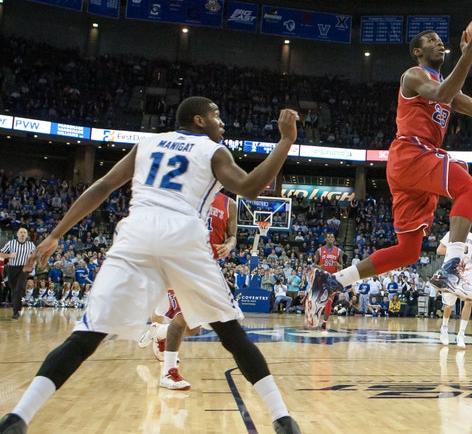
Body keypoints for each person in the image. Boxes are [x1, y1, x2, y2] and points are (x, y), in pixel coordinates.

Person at [0, 97, 301, 433]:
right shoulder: (212, 151)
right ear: (199, 120)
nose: (222, 122)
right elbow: (251, 187)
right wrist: (286, 140)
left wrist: (56, 233)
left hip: (136, 233)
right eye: (217, 116)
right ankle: (282, 419)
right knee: (231, 333)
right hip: (183, 234)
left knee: (87, 334)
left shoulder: (147, 143)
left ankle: (18, 417)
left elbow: (102, 186)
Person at [300, 29, 472, 326]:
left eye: (441, 39)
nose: (439, 42)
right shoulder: (413, 76)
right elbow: (441, 94)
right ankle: (452, 266)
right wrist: (467, 60)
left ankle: (331, 282)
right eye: (430, 40)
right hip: (412, 151)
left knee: (407, 251)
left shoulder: (447, 83)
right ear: (417, 51)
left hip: (411, 165)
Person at [138, 192, 238, 390]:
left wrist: (228, 245)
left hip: (208, 267)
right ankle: (169, 372)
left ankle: (159, 331)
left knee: (193, 328)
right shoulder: (186, 194)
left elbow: (233, 236)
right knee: (183, 316)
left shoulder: (230, 204)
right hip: (183, 262)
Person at [437, 231, 472, 349]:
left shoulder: (471, 235)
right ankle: (444, 327)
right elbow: (439, 250)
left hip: (468, 271)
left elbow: (469, 252)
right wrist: (455, 252)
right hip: (453, 270)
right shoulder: (451, 233)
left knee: (469, 301)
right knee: (449, 305)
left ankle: (461, 334)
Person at [0, 228, 36, 320]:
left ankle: (15, 312)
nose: (23, 234)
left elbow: (36, 255)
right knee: (14, 290)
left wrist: (31, 260)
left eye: (24, 232)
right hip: (12, 269)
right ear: (17, 234)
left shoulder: (30, 244)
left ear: (27, 235)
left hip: (24, 268)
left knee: (20, 288)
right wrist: (9, 256)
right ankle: (17, 307)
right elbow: (1, 254)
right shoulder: (11, 243)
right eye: (21, 232)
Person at [315, 233, 344, 330]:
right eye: (328, 237)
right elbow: (314, 265)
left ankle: (324, 322)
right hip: (321, 278)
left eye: (332, 237)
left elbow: (342, 266)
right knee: (318, 301)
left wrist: (338, 265)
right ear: (325, 239)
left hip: (332, 279)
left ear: (334, 239)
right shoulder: (319, 251)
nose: (330, 238)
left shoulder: (339, 251)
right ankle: (315, 319)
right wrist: (319, 267)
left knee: (329, 302)